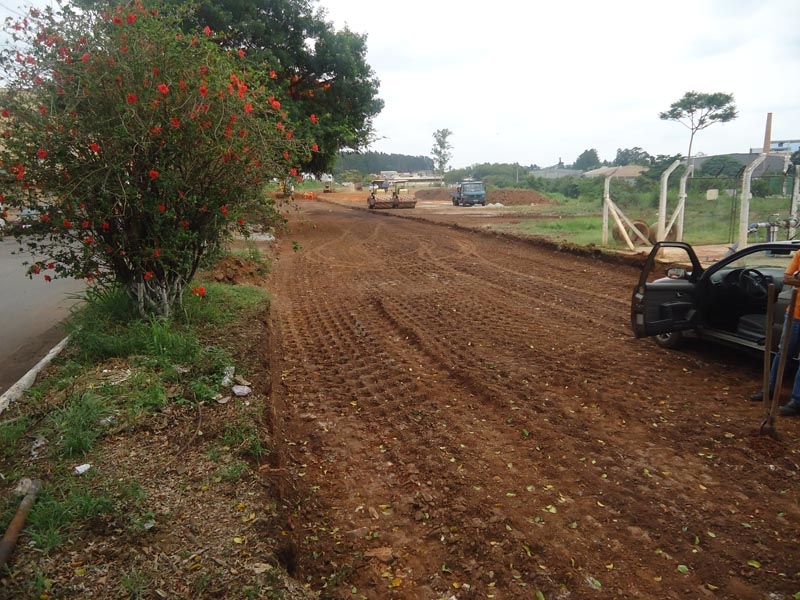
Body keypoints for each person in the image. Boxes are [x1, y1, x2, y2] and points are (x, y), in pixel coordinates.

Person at [750, 253, 800, 416]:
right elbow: (786, 278)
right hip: (794, 313)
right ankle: (770, 389)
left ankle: (796, 401)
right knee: (783, 352)